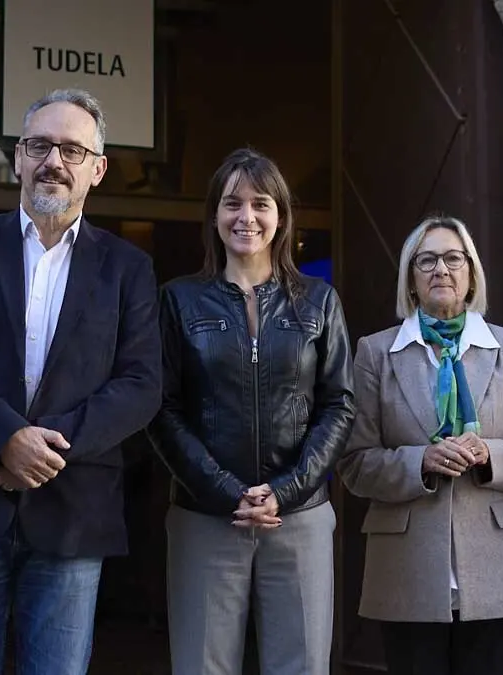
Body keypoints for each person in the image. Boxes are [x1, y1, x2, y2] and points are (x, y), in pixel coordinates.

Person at [0, 88, 162, 674]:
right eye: (40, 145)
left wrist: (41, 449)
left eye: (72, 150)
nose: (54, 161)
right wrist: (4, 438)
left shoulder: (128, 268)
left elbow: (141, 383)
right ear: (18, 158)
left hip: (73, 515)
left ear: (97, 170)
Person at [147, 147, 355, 675]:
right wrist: (224, 491)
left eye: (261, 203)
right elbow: (162, 408)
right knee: (202, 665)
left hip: (299, 516)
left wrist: (285, 490)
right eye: (231, 203)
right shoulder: (179, 300)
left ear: (280, 215)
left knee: (302, 665)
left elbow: (339, 403)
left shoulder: (319, 300)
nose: (247, 217)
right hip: (206, 516)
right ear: (214, 216)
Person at [338, 215, 503, 675]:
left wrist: (491, 454)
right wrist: (421, 461)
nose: (441, 269)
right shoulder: (376, 352)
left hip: (498, 565)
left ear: (471, 273)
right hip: (407, 566)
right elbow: (354, 463)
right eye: (427, 260)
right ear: (410, 280)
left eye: (454, 258)